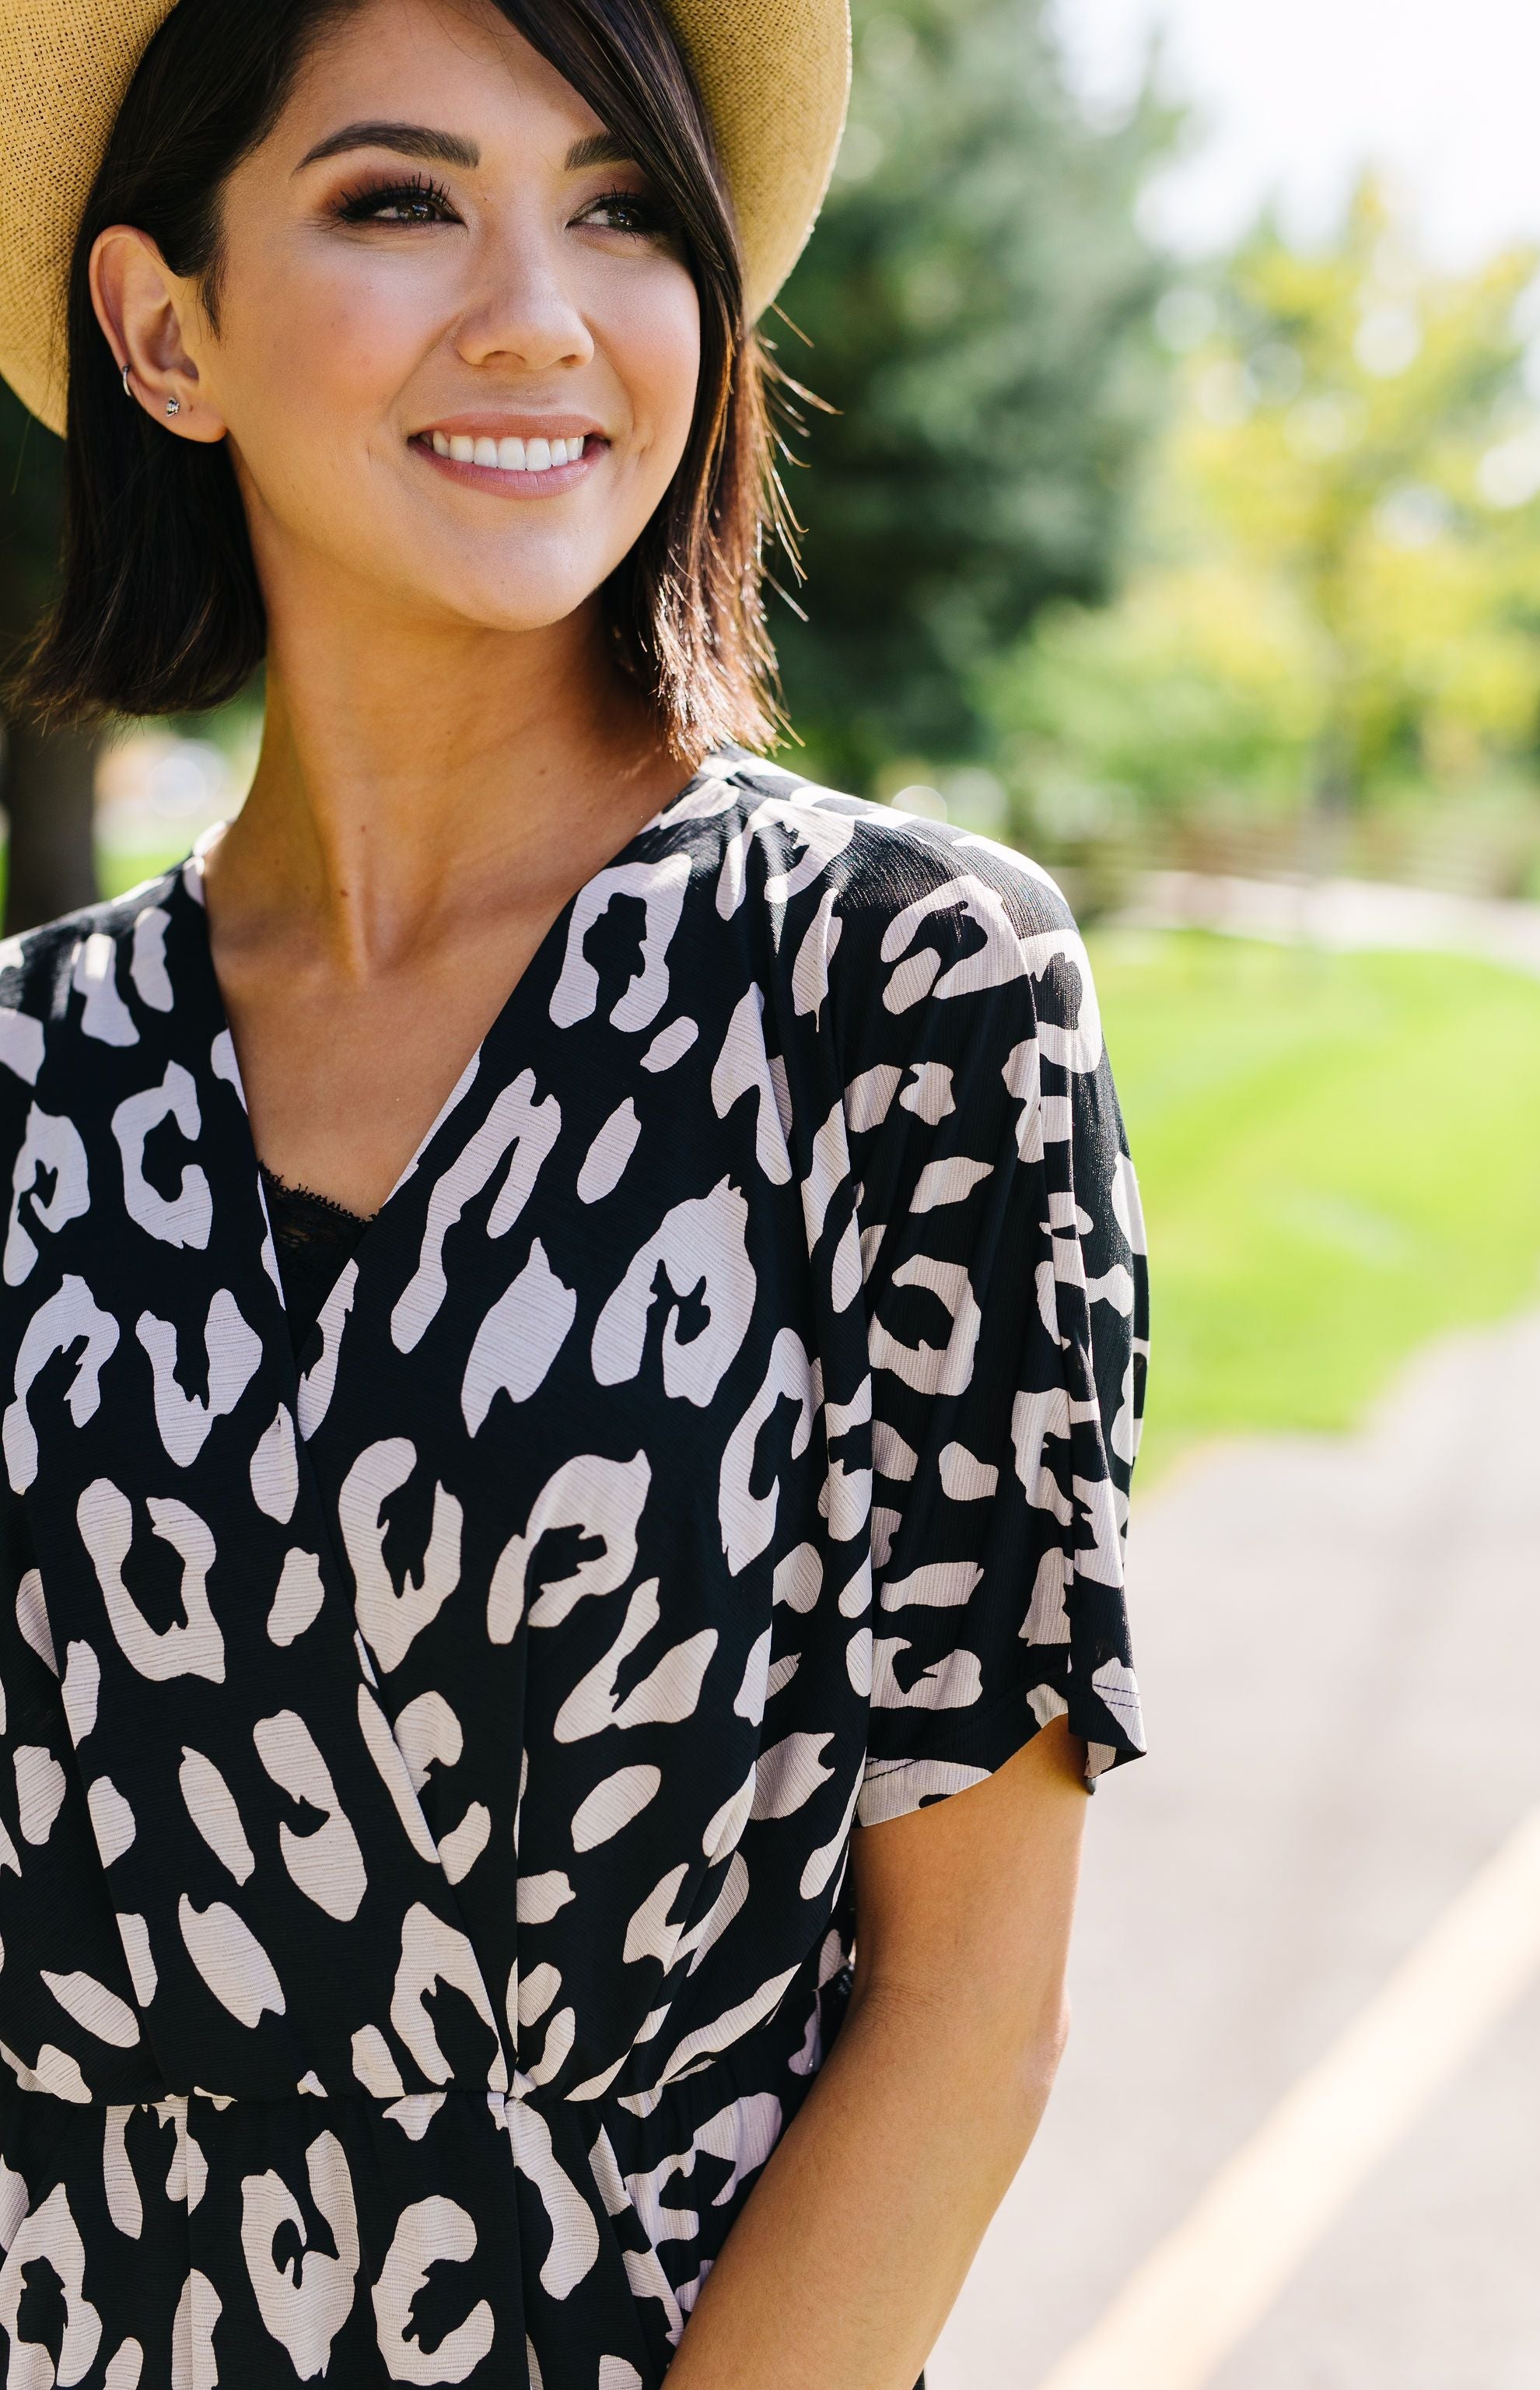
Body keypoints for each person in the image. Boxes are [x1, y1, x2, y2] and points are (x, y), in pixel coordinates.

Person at [0, 0, 1150, 2381]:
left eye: (623, 208)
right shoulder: (27, 1073)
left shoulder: (901, 992)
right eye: (401, 199)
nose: (540, 306)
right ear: (165, 328)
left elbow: (965, 2026)